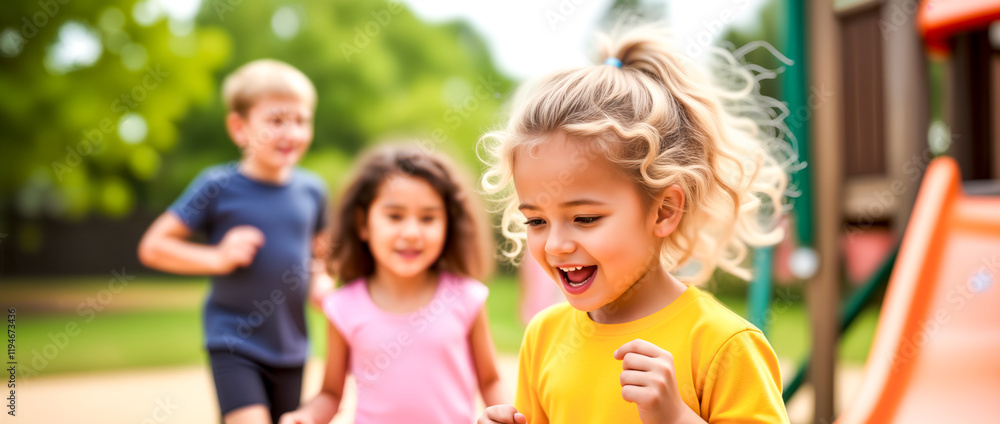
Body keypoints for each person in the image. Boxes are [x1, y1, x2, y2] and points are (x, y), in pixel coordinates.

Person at [477, 26, 790, 424]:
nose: (555, 244)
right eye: (536, 220)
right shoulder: (544, 337)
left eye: (584, 218)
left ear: (663, 211)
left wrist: (677, 418)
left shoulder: (722, 345)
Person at [137, 59, 331, 424]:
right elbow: (153, 246)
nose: (291, 132)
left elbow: (320, 256)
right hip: (234, 340)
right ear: (240, 128)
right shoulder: (217, 186)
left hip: (292, 346)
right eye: (276, 121)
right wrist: (218, 257)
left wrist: (320, 281)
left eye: (301, 120)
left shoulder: (312, 190)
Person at [279, 145, 506, 424]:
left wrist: (508, 414)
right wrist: (306, 417)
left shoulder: (466, 298)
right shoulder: (343, 307)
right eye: (395, 216)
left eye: (428, 218)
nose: (411, 233)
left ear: (449, 224)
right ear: (363, 223)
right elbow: (330, 393)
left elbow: (490, 380)